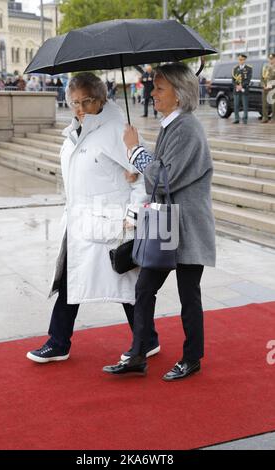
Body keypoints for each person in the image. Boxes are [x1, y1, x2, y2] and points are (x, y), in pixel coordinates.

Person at [26, 72, 159, 364]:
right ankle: (59, 341)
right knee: (71, 280)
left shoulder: (116, 130)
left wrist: (133, 215)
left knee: (124, 285)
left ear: (101, 98)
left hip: (109, 223)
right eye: (74, 102)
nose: (80, 108)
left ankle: (146, 338)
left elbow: (144, 179)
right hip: (80, 222)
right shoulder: (75, 130)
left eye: (86, 101)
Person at [103, 62, 216, 381]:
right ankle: (139, 352)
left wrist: (135, 151)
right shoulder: (172, 125)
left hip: (188, 226)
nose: (152, 93)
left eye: (159, 88)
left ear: (179, 95)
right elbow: (161, 172)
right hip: (168, 223)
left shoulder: (188, 128)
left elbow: (164, 178)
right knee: (144, 287)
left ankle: (192, 357)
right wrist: (141, 164)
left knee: (188, 294)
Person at [232, 53, 252, 124]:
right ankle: (236, 118)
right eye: (239, 60)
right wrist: (236, 86)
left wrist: (242, 86)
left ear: (244, 60)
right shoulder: (235, 68)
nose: (240, 61)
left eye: (242, 60)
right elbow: (233, 80)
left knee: (245, 105)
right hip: (236, 89)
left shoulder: (249, 68)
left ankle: (245, 119)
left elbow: (248, 79)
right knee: (236, 105)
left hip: (244, 89)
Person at [261, 53, 275, 123]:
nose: (270, 60)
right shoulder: (265, 67)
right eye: (269, 59)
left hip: (273, 88)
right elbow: (262, 78)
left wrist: (270, 85)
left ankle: (274, 118)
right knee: (264, 104)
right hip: (265, 88)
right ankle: (265, 118)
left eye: (272, 59)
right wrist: (263, 85)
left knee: (273, 104)